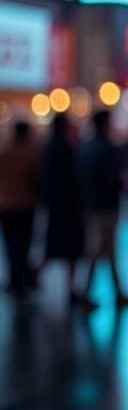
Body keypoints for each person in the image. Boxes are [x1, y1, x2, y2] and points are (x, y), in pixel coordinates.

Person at [79, 110, 128, 308]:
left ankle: (116, 291)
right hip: (106, 206)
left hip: (93, 204)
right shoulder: (107, 149)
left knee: (107, 249)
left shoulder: (87, 147)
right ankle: (87, 292)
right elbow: (113, 178)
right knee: (100, 249)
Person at [36, 114, 88, 307]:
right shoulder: (68, 149)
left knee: (53, 248)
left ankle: (34, 275)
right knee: (71, 250)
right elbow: (75, 178)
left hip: (56, 205)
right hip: (69, 206)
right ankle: (71, 289)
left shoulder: (48, 148)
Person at [0, 121, 41, 300]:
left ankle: (13, 278)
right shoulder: (30, 155)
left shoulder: (4, 152)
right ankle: (20, 280)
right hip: (24, 204)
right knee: (22, 243)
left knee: (9, 244)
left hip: (5, 204)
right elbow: (36, 179)